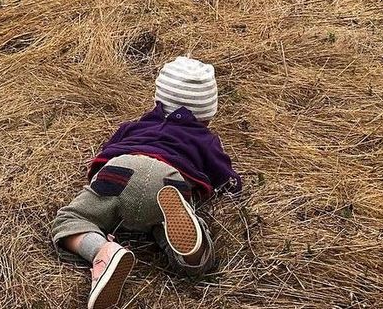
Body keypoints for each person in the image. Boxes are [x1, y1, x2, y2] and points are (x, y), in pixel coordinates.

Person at [51, 55, 242, 309]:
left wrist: (99, 187)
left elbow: (106, 152)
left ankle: (102, 253)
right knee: (170, 231)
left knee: (69, 220)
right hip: (168, 183)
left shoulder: (134, 127)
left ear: (158, 100)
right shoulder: (206, 140)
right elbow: (227, 182)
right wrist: (231, 185)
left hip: (119, 171)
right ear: (207, 115)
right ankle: (193, 254)